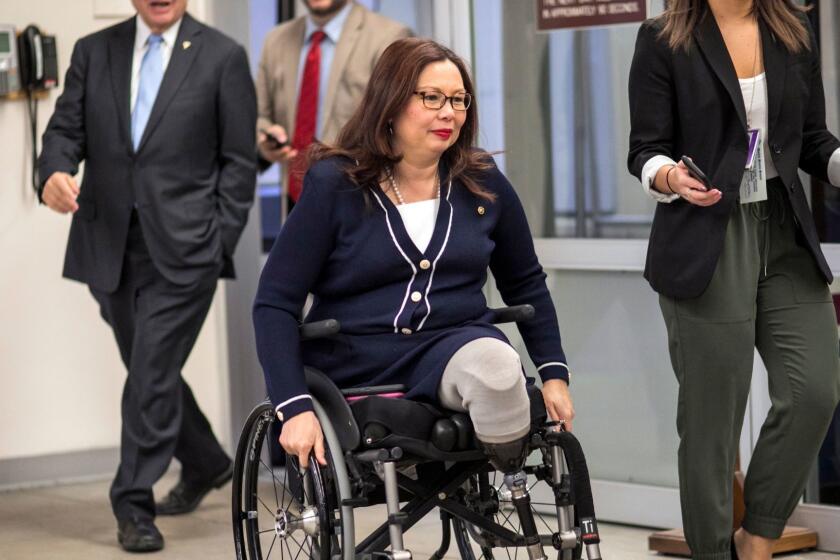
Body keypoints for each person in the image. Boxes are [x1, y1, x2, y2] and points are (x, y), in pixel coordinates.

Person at [253, 38, 574, 549]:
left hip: (451, 348)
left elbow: (526, 282)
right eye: (432, 98)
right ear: (391, 101)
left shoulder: (482, 183)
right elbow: (274, 303)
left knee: (498, 367)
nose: (449, 112)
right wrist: (293, 406)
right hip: (357, 360)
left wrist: (553, 372)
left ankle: (507, 486)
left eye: (459, 99)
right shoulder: (334, 184)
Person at [38, 0, 257, 552]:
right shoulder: (95, 51)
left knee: (151, 372)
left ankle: (132, 503)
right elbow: (65, 129)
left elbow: (238, 160)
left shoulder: (222, 57)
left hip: (187, 250)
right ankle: (207, 461)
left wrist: (219, 239)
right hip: (109, 243)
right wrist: (54, 171)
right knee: (148, 370)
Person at [628, 1, 840, 558]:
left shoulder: (793, 31)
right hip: (707, 231)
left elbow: (812, 139)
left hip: (784, 229)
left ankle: (759, 533)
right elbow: (644, 150)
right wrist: (670, 175)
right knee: (712, 421)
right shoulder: (662, 38)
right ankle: (713, 550)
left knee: (815, 389)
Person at [256, 0, 411, 212]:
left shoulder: (389, 37)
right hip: (295, 203)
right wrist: (266, 141)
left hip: (362, 201)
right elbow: (260, 117)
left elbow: (401, 129)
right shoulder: (275, 41)